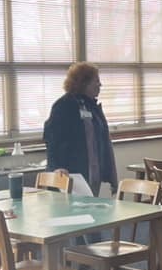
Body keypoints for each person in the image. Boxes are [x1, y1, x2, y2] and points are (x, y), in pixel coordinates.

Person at [43, 61, 117, 196]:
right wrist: (56, 167)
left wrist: (110, 174)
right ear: (84, 83)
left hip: (92, 174)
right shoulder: (63, 106)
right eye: (96, 81)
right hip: (70, 175)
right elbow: (52, 139)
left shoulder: (93, 107)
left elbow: (103, 141)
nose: (100, 85)